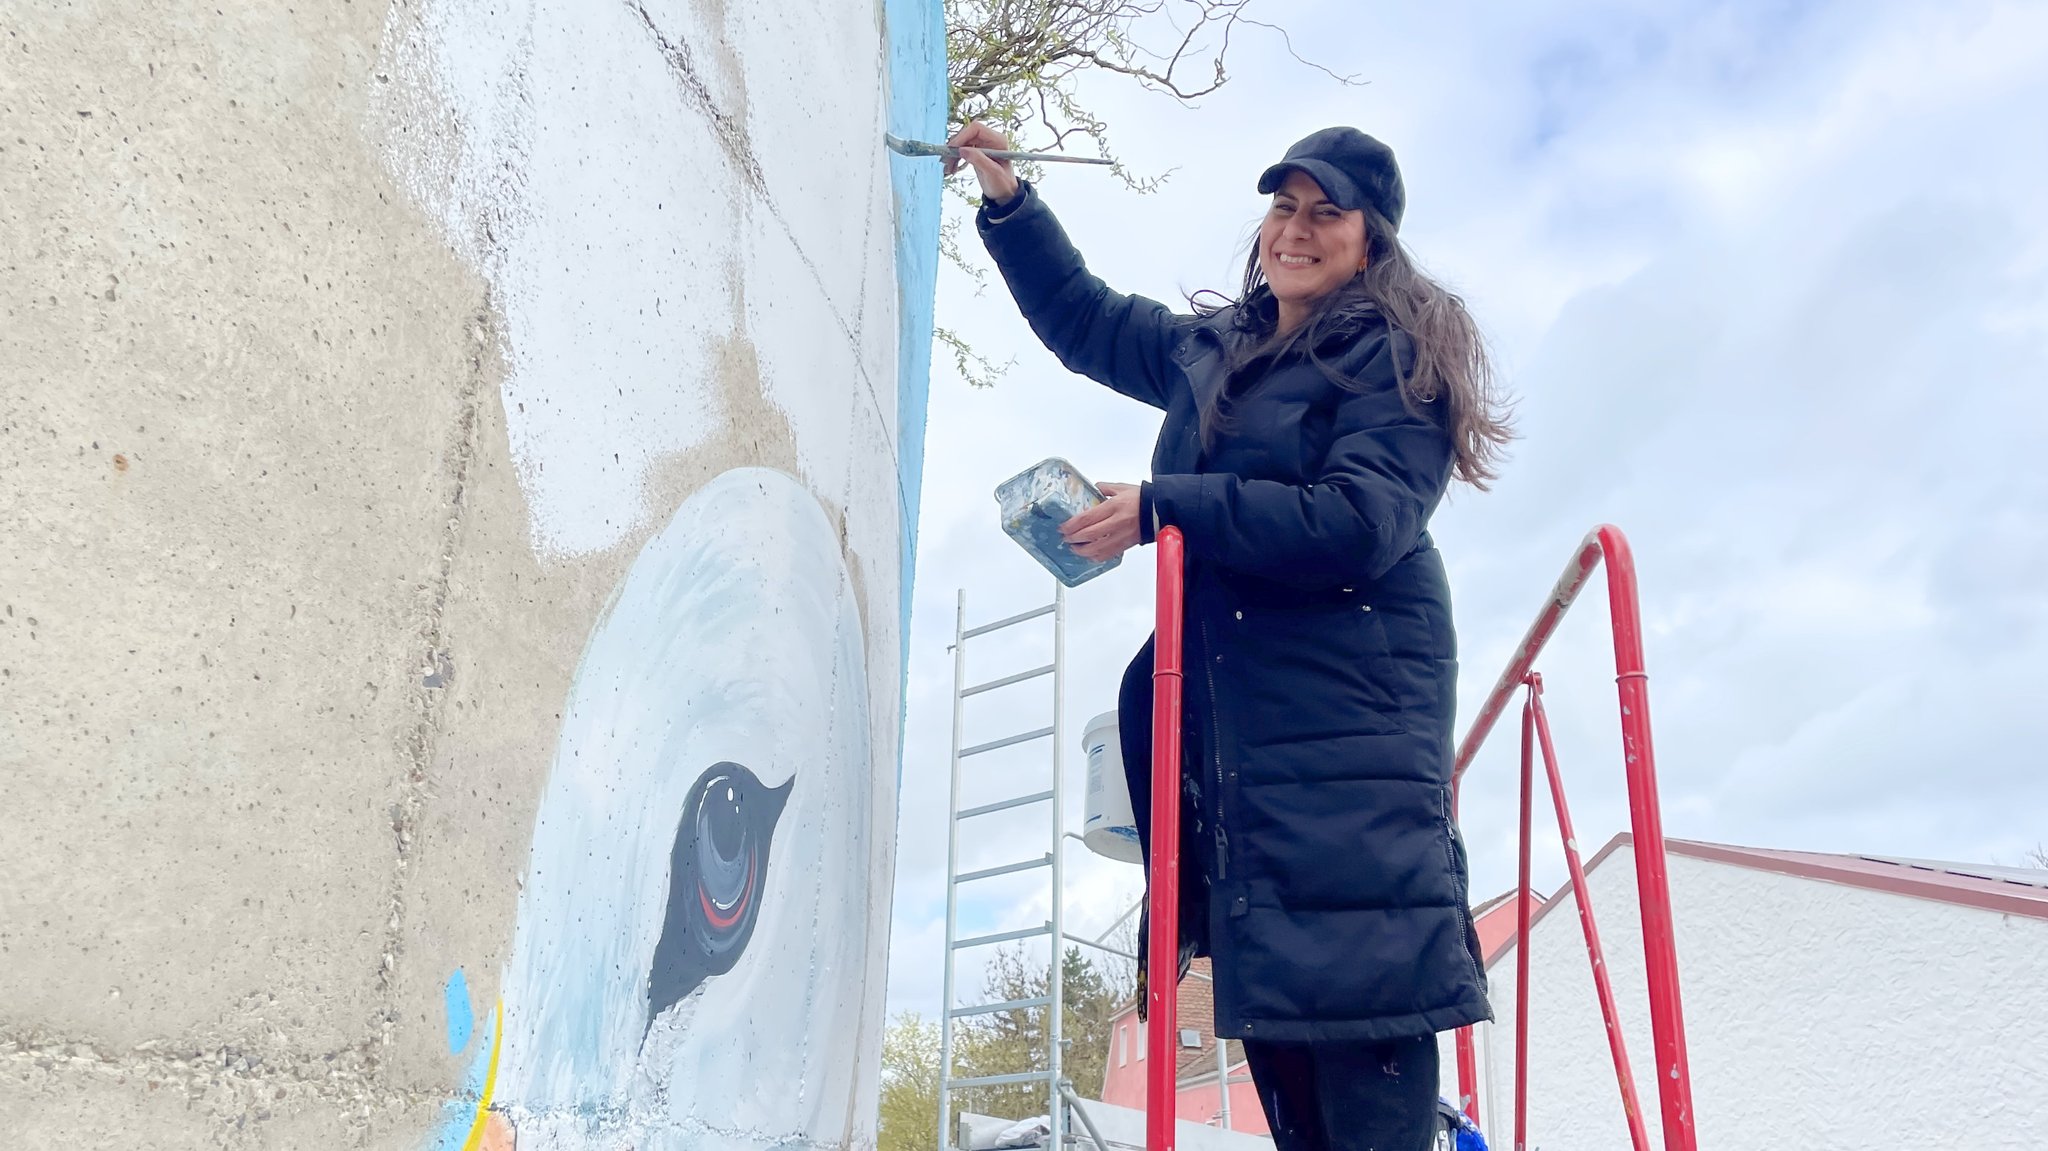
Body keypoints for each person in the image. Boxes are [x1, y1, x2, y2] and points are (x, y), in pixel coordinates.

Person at [947, 120, 1513, 1151]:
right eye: (1281, 206)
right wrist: (1007, 201)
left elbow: (1359, 520)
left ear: (1369, 238)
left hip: (1346, 733)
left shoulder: (1393, 355)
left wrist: (1167, 507)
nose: (1292, 230)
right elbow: (1086, 321)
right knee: (1287, 1055)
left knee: (1365, 1009)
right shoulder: (1220, 352)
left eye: (1323, 211)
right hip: (1245, 745)